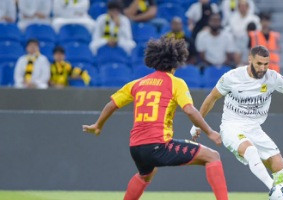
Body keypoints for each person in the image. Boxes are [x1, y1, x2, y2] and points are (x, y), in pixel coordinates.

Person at [82, 37, 229, 200]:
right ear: (176, 61)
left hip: (136, 148)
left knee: (146, 174)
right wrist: (209, 132)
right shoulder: (176, 83)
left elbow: (111, 105)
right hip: (159, 145)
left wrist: (98, 125)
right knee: (213, 156)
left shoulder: (137, 83)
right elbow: (189, 110)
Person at [190, 46, 283, 192]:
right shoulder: (232, 77)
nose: (262, 68)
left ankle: (279, 194)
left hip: (254, 129)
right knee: (250, 151)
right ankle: (273, 189)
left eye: (266, 64)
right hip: (231, 126)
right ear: (250, 60)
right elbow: (211, 99)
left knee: (282, 171)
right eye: (259, 64)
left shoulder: (272, 77)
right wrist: (197, 125)